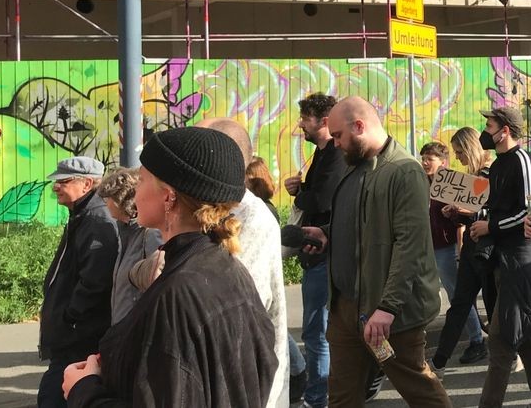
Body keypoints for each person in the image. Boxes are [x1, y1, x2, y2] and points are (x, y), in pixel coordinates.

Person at [62, 127, 278, 407]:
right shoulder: (226, 269)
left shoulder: (179, 292)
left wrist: (84, 390)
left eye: (141, 180)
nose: (135, 191)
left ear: (168, 197)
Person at [301, 97, 451, 408]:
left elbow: (409, 245)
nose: (335, 143)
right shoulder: (351, 166)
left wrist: (387, 307)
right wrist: (327, 235)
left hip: (387, 315)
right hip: (346, 309)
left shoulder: (404, 171)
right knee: (341, 396)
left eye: (339, 135)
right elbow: (362, 224)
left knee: (419, 390)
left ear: (359, 126)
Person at [198, 118, 290, 408]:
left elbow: (239, 307)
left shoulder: (251, 216)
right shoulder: (217, 207)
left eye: (197, 151)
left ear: (225, 159)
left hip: (245, 382)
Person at [468, 105, 531, 407]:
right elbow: (495, 207)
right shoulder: (500, 164)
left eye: (489, 126)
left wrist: (490, 225)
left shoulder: (522, 160)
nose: (484, 132)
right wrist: (475, 222)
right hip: (504, 263)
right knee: (526, 340)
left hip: (522, 262)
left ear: (505, 131)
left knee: (502, 344)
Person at [38, 157, 119, 408]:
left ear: (86, 184)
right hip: (73, 332)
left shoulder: (96, 220)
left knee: (52, 396)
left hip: (78, 335)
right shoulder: (83, 214)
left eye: (63, 181)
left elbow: (95, 279)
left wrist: (70, 316)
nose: (56, 187)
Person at [283, 92, 346, 408]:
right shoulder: (324, 154)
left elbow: (322, 201)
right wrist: (302, 190)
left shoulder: (333, 154)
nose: (300, 126)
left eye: (305, 119)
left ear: (323, 120)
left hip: (323, 252)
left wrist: (299, 197)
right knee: (321, 330)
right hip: (320, 251)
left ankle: (318, 397)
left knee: (315, 331)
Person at [432, 127, 497, 374]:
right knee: (460, 302)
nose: (457, 158)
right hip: (473, 248)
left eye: (459, 152)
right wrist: (456, 213)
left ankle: (508, 353)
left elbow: (490, 210)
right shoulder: (477, 175)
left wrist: (462, 211)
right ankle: (439, 359)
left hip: (486, 251)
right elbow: (475, 212)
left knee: (490, 306)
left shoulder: (490, 173)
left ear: (470, 148)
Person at [96, 167, 162, 325]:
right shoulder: (125, 233)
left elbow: (158, 285)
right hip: (123, 328)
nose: (105, 204)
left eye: (108, 198)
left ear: (121, 199)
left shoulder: (150, 234)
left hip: (137, 328)